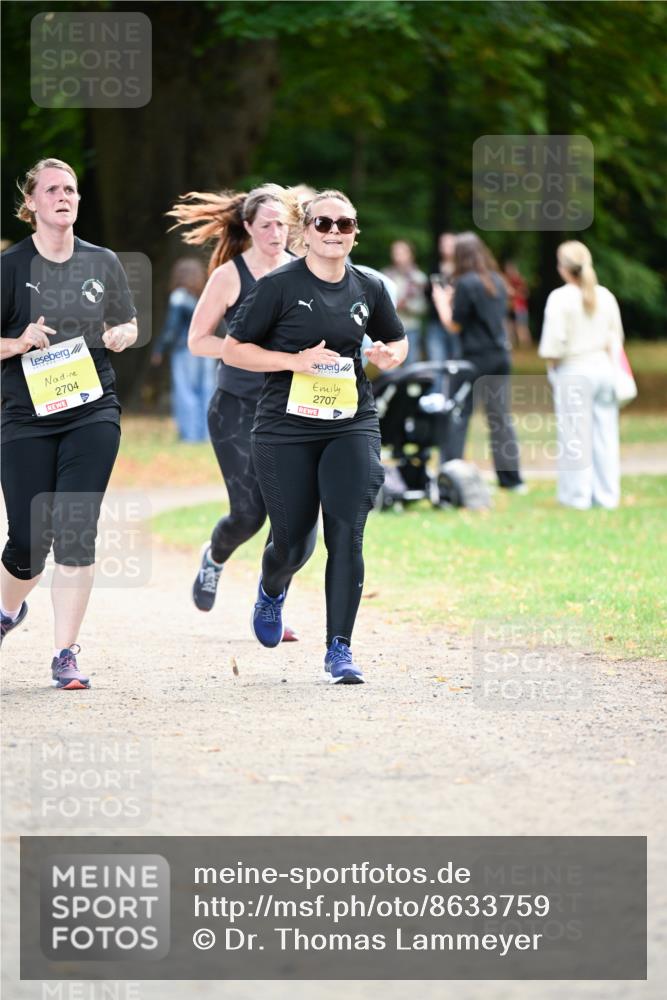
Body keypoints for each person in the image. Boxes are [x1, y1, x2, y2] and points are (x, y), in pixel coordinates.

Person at [222, 189, 408, 684]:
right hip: (285, 429)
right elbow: (234, 350)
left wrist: (392, 353)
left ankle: (339, 649)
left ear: (354, 232)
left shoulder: (369, 286)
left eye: (344, 224)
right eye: (323, 224)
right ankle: (272, 587)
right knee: (291, 540)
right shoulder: (279, 286)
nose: (333, 233)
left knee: (346, 531)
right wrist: (294, 362)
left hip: (351, 421)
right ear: (305, 232)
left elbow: (396, 337)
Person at [0, 158, 137, 687]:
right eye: (52, 190)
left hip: (91, 409)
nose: (64, 197)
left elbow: (124, 320)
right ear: (31, 203)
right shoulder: (10, 268)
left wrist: (123, 333)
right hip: (26, 417)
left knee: (76, 530)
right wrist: (18, 343)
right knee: (29, 542)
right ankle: (7, 612)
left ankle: (65, 653)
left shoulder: (101, 262)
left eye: (72, 190)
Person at [166, 184, 310, 638]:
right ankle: (214, 557)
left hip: (291, 406)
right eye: (265, 224)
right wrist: (244, 351)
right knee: (250, 514)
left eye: (281, 224)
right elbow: (197, 341)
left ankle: (272, 602)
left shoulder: (301, 272)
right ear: (247, 228)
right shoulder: (230, 276)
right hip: (237, 407)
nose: (274, 232)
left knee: (291, 514)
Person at [431, 231, 524, 491]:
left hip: (473, 359)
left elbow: (454, 325)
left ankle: (450, 474)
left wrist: (441, 302)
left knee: (458, 414)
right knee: (500, 419)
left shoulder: (465, 283)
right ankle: (512, 479)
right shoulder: (496, 280)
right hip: (500, 356)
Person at [538, 241, 623, 509]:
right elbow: (616, 337)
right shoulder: (605, 295)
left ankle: (577, 497)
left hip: (574, 369)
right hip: (603, 368)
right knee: (605, 435)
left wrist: (552, 371)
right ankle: (607, 495)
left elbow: (553, 344)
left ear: (564, 268)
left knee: (575, 438)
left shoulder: (560, 298)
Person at [150, 257, 215, 442]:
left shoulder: (178, 296)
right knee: (207, 391)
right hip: (207, 348)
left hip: (186, 350)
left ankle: (190, 436)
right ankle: (207, 436)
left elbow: (171, 328)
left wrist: (159, 350)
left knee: (186, 391)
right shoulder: (204, 296)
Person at [383, 240, 428, 364]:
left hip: (411, 327)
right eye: (395, 252)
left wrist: (407, 305)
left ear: (411, 254)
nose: (398, 256)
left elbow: (424, 307)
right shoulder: (385, 276)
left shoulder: (419, 278)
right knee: (389, 365)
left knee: (411, 364)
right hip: (389, 328)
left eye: (402, 252)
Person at [426, 231, 458, 365]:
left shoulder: (462, 268)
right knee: (436, 362)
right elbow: (427, 293)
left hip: (457, 321)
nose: (446, 247)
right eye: (443, 243)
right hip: (435, 320)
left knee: (457, 362)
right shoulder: (434, 267)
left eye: (449, 244)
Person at [503, 259, 531, 347]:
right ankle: (512, 345)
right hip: (511, 307)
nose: (509, 271)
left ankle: (525, 346)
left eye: (511, 269)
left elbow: (525, 294)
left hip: (520, 307)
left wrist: (514, 292)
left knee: (522, 327)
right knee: (510, 327)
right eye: (508, 269)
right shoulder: (507, 280)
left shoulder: (519, 280)